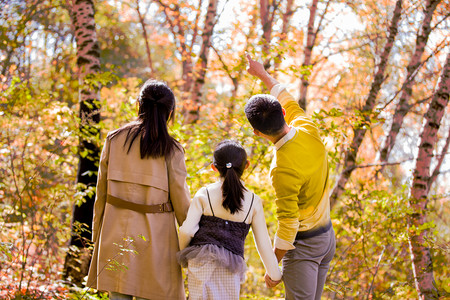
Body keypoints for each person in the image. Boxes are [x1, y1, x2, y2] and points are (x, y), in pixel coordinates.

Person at [86, 79, 191, 300]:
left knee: (118, 295)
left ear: (139, 105)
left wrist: (97, 234)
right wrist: (195, 240)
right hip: (157, 239)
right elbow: (182, 203)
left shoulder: (114, 140)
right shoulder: (172, 149)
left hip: (115, 232)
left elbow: (101, 193)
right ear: (169, 111)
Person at [244, 54, 335, 300]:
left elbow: (288, 223)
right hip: (327, 238)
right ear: (283, 112)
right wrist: (261, 73)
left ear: (257, 133)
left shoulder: (281, 168)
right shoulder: (307, 127)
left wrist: (273, 267)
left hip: (305, 247)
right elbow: (283, 92)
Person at [177, 140, 282, 300]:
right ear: (246, 165)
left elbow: (186, 230)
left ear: (214, 167)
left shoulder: (204, 193)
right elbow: (263, 244)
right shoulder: (254, 201)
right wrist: (275, 274)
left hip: (201, 261)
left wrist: (184, 254)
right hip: (231, 266)